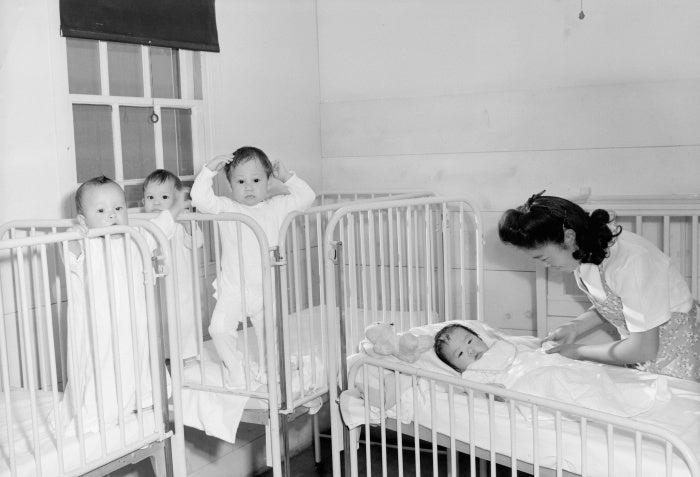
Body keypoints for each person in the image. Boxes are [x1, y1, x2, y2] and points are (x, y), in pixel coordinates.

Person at [498, 191, 700, 382]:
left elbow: (645, 348)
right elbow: (617, 304)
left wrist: (578, 351)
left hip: (681, 363)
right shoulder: (584, 253)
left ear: (569, 237)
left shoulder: (630, 262)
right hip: (645, 360)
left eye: (544, 257)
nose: (546, 265)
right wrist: (575, 327)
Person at [190, 146, 316, 384]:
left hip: (266, 289)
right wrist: (208, 171)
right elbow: (199, 199)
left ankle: (270, 369)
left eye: (256, 180)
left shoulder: (277, 207)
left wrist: (288, 177)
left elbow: (307, 198)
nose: (248, 187)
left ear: (268, 182)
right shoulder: (226, 208)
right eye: (240, 181)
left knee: (270, 334)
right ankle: (236, 367)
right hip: (234, 289)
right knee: (218, 329)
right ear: (229, 185)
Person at [64, 176, 179, 431]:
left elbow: (160, 227)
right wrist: (74, 237)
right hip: (103, 330)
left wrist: (176, 207)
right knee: (104, 369)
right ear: (83, 220)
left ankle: (145, 399)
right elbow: (70, 255)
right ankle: (99, 415)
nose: (112, 215)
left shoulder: (135, 237)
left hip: (135, 326)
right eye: (102, 210)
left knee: (141, 361)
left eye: (119, 208)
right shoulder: (88, 244)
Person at [432, 321, 667, 417]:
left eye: (470, 341)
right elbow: (478, 392)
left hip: (540, 365)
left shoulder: (501, 346)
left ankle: (606, 397)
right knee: (552, 378)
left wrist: (546, 347)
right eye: (460, 354)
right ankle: (596, 408)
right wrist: (493, 394)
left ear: (479, 337)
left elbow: (532, 351)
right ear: (457, 366)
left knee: (579, 370)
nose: (470, 351)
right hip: (523, 385)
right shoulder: (471, 375)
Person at [143, 169, 203, 360]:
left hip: (179, 285)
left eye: (164, 197)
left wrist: (187, 224)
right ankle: (164, 358)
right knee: (158, 323)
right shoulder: (143, 225)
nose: (156, 202)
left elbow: (197, 242)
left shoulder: (179, 223)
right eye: (150, 197)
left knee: (183, 319)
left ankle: (189, 357)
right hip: (155, 287)